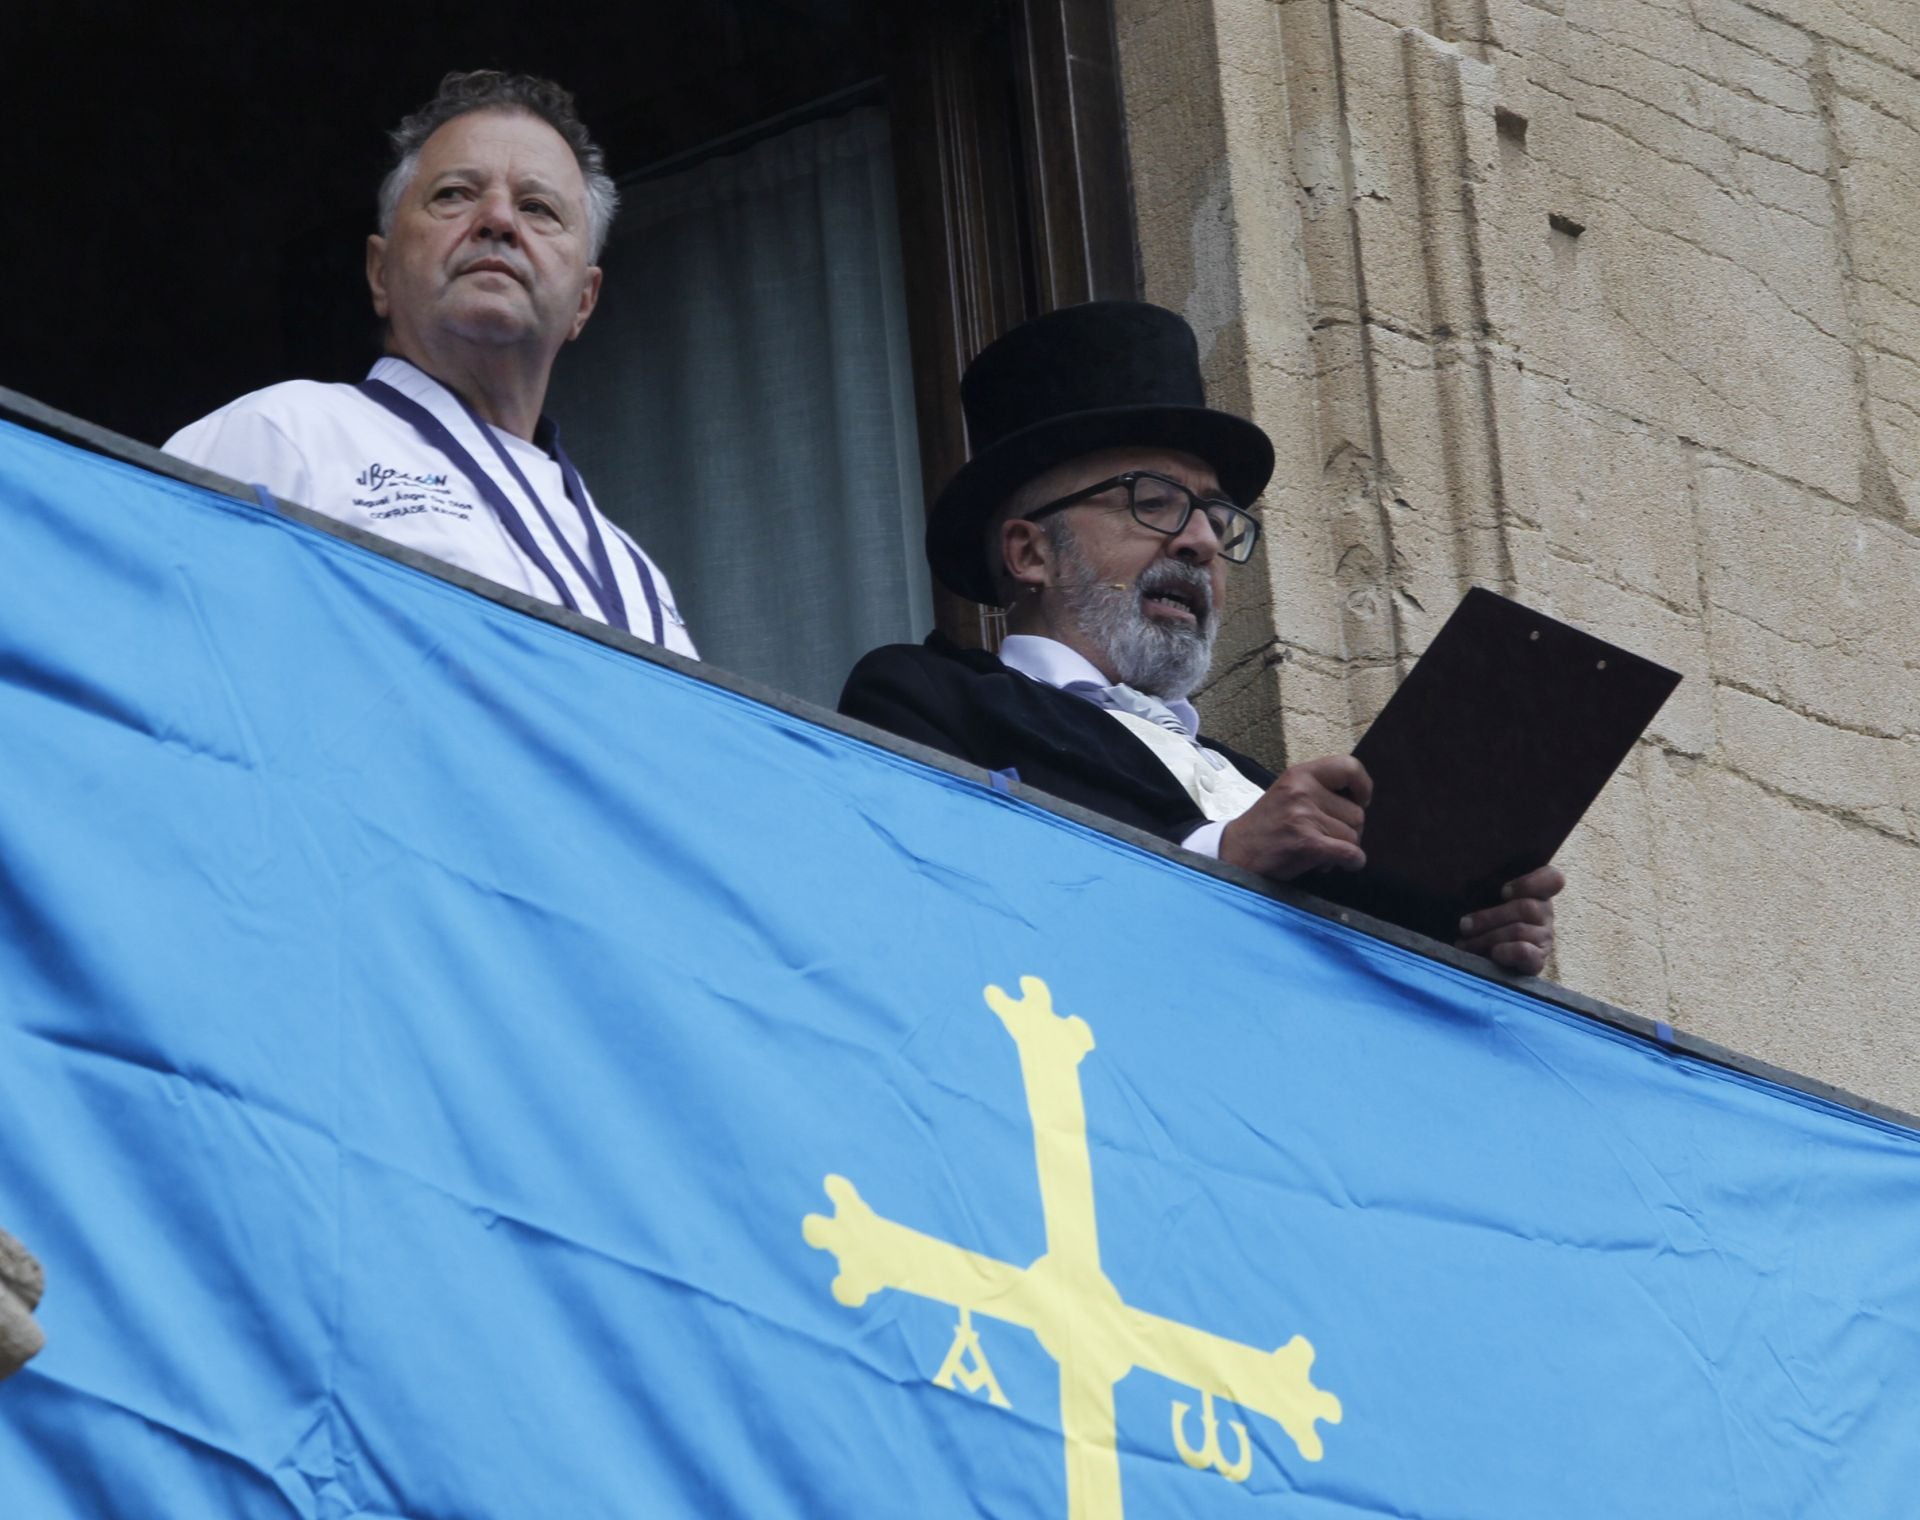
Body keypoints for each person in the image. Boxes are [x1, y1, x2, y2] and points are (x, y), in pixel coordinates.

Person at [840, 301, 1562, 973]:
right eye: (1154, 503)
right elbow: (961, 910)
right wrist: (1227, 852)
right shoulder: (928, 699)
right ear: (1032, 554)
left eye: (1218, 520)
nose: (1200, 542)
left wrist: (1465, 936)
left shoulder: (1253, 784)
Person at [166, 71, 694, 656]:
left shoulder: (639, 580)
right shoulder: (286, 436)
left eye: (538, 207)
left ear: (584, 302)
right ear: (380, 271)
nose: (498, 220)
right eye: (454, 194)